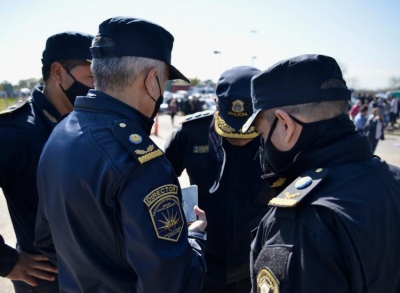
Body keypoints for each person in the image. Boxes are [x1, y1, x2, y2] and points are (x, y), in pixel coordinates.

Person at [34, 17, 207, 292]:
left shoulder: (60, 133)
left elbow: (46, 241)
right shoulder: (141, 163)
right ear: (152, 81)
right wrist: (195, 237)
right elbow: (172, 284)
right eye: (163, 81)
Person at [241, 54, 400, 293]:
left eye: (263, 134)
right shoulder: (393, 179)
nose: (263, 145)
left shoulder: (302, 221)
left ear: (286, 125)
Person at [165, 66, 275, 293]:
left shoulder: (277, 139)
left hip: (258, 264)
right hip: (204, 262)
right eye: (230, 131)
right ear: (216, 104)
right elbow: (157, 184)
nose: (238, 140)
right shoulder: (190, 134)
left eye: (246, 131)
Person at [0, 31, 94, 293]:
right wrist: (8, 263)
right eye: (92, 78)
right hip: (47, 285)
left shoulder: (84, 123)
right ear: (58, 72)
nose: (98, 88)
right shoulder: (16, 132)